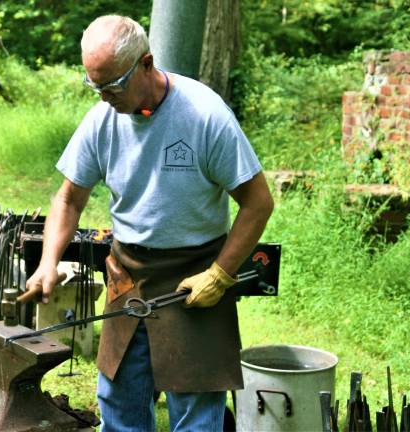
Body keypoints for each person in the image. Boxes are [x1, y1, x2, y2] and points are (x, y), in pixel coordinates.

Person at [22, 15, 274, 432]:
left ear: (146, 63)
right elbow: (69, 198)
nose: (104, 97)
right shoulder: (103, 120)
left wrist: (219, 274)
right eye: (94, 86)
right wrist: (49, 262)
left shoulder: (204, 115)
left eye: (112, 85)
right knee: (118, 400)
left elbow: (257, 204)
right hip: (128, 274)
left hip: (195, 277)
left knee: (195, 413)